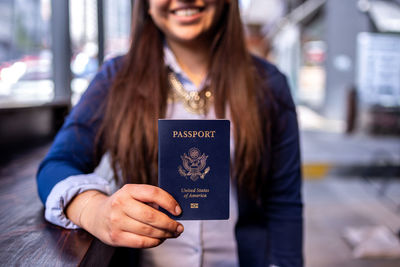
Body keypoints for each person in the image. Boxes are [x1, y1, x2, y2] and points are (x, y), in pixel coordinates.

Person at [36, 1, 303, 266]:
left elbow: (284, 201)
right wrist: (93, 210)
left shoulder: (269, 84)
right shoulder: (117, 78)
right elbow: (56, 165)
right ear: (146, 5)